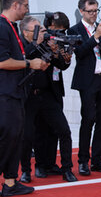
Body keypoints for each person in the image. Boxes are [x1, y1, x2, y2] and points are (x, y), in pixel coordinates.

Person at [0, 0, 49, 196]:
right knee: (7, 138)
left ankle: (10, 183)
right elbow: (2, 62)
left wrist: (34, 63)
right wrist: (30, 63)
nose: (27, 9)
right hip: (5, 95)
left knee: (15, 139)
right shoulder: (2, 27)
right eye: (26, 6)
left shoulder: (11, 27)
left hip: (17, 93)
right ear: (15, 5)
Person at [19, 13, 78, 183]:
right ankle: (25, 170)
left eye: (43, 30)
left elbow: (61, 65)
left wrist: (60, 54)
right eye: (38, 30)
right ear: (26, 32)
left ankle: (67, 169)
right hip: (28, 97)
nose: (43, 33)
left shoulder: (48, 43)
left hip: (48, 95)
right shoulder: (21, 45)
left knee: (64, 131)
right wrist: (37, 43)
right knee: (28, 135)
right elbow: (26, 55)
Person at [68, 0, 101, 176]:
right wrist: (95, 37)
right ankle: (83, 161)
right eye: (90, 11)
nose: (94, 14)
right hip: (87, 81)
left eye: (96, 10)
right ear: (81, 11)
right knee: (88, 119)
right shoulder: (74, 30)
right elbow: (79, 53)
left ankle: (97, 160)